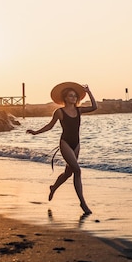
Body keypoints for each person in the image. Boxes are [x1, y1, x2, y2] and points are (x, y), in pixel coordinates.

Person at [26, 82, 97, 215]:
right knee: (77, 170)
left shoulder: (78, 110)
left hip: (76, 143)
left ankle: (53, 187)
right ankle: (83, 203)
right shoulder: (59, 112)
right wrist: (36, 132)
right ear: (65, 98)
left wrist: (89, 92)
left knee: (68, 173)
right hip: (65, 143)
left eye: (75, 96)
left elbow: (94, 106)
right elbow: (50, 126)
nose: (74, 98)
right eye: (71, 96)